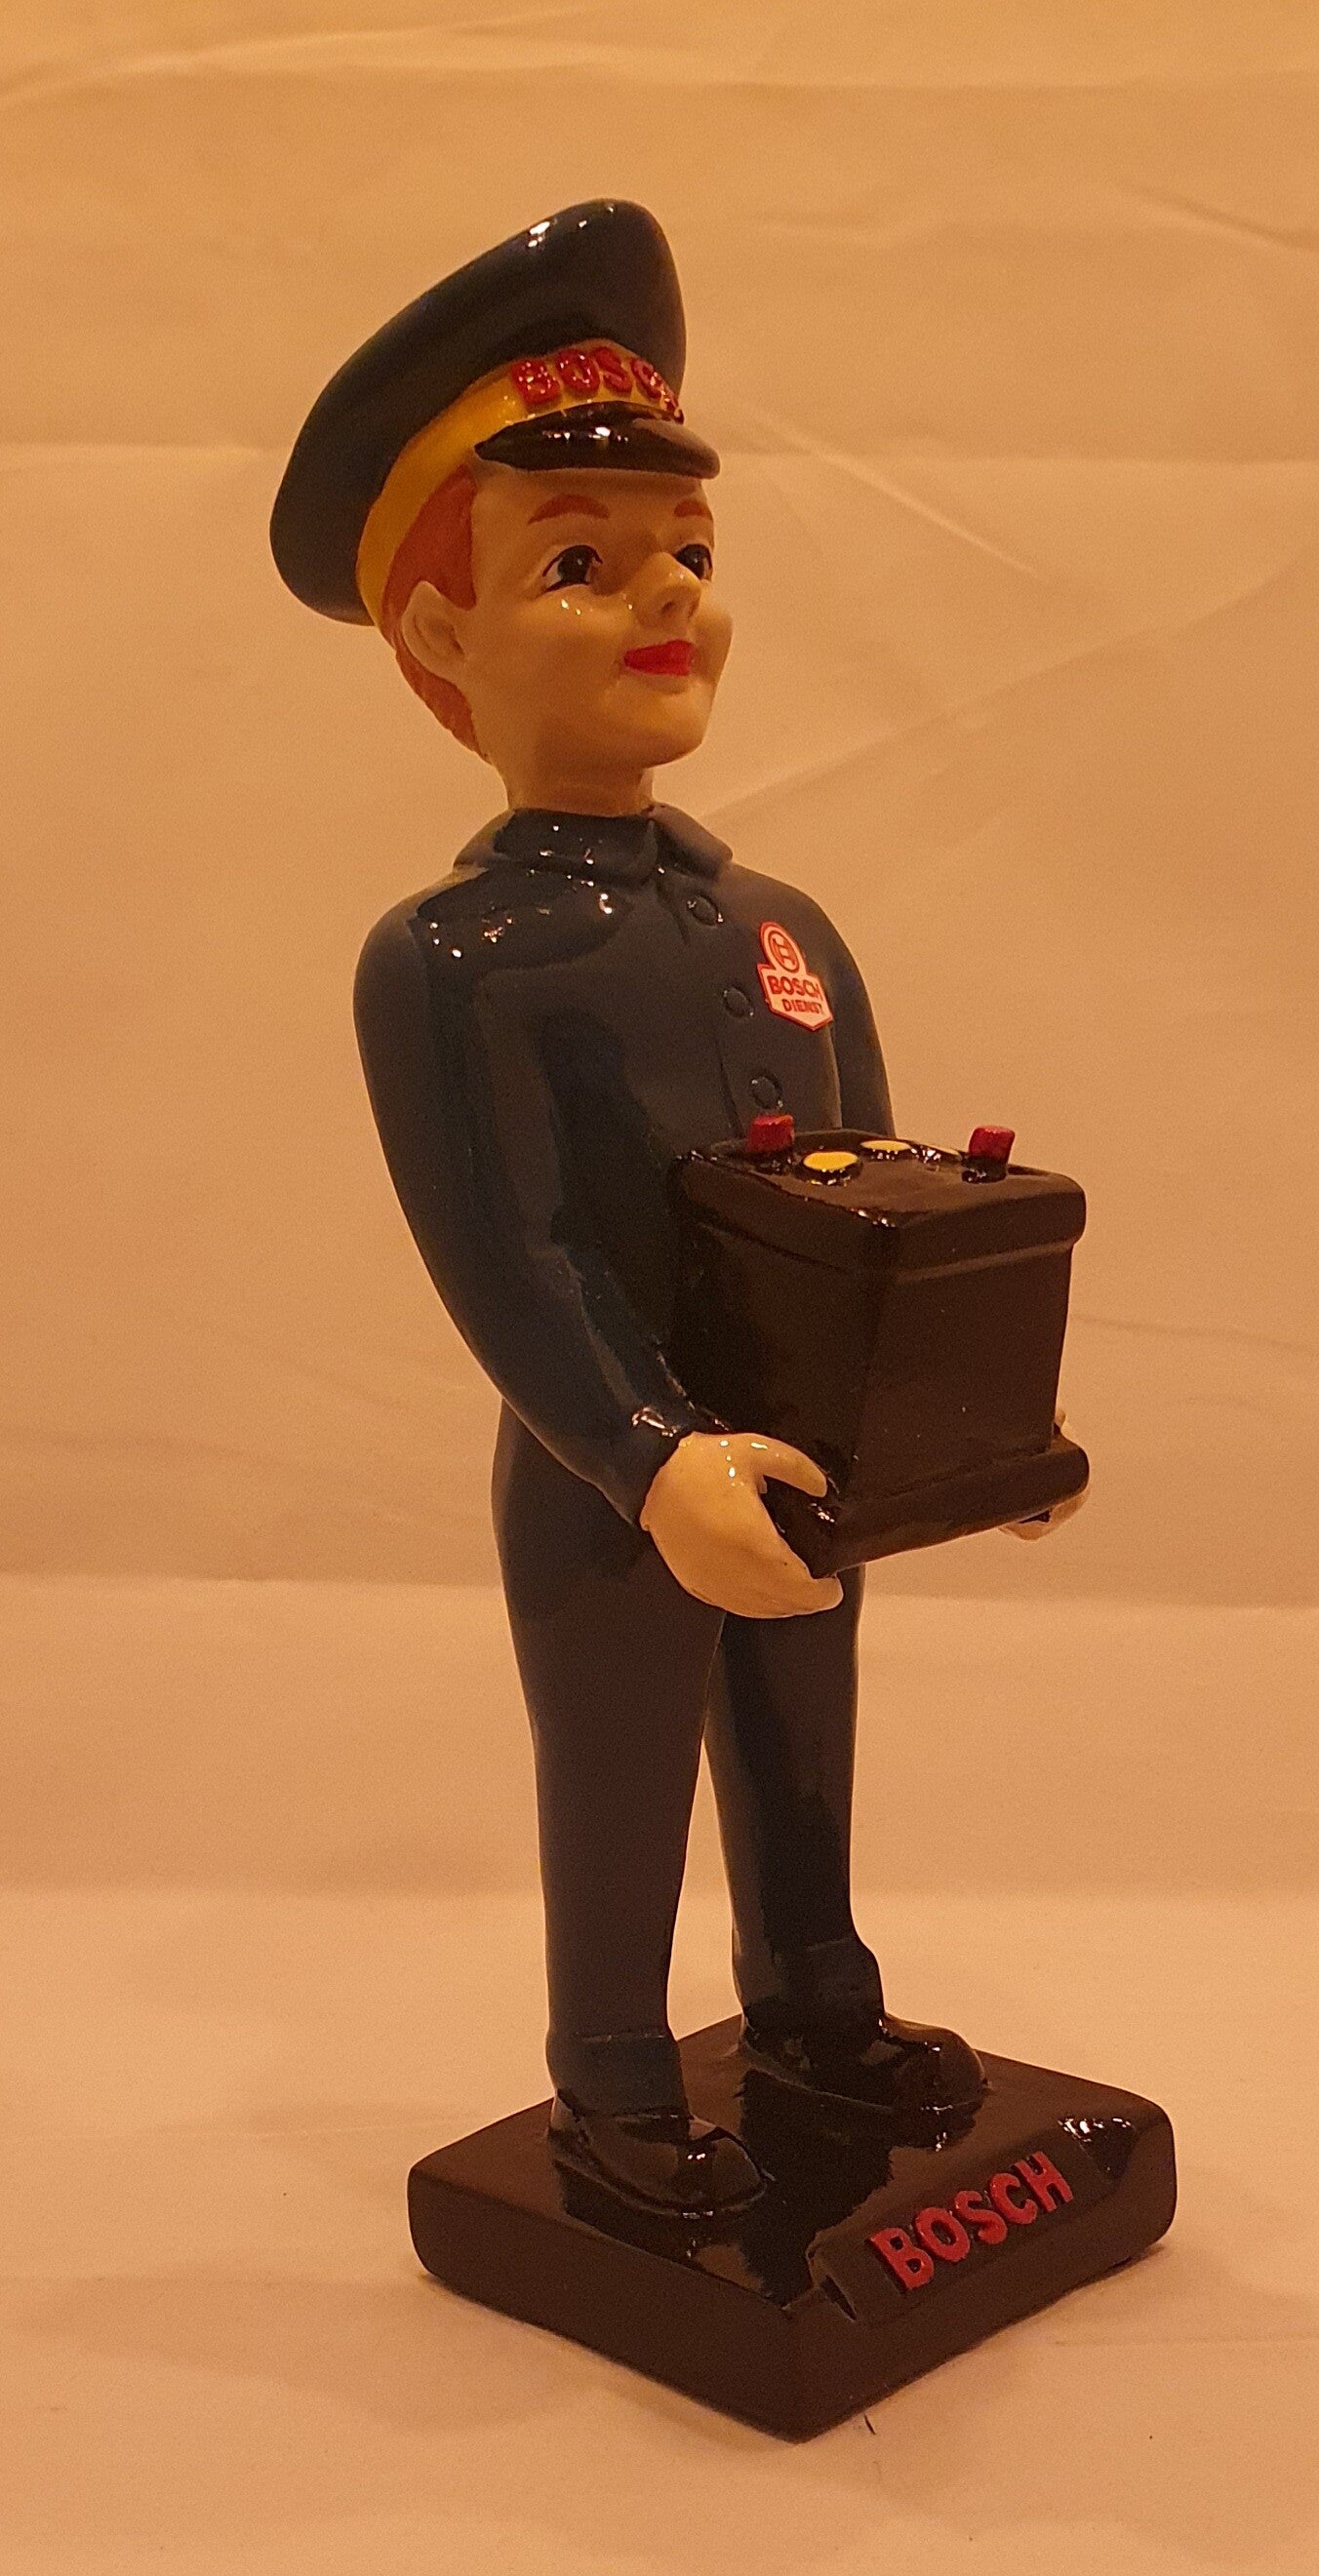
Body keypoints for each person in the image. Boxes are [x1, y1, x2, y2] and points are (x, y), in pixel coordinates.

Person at [271, 199, 1060, 2218]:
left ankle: (813, 2001)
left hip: (811, 1453)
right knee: (618, 1764)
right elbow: (506, 1255)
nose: (665, 602)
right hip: (611, 1474)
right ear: (438, 638)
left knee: (805, 1734)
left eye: (689, 555)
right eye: (578, 563)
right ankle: (613, 2088)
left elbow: (877, 1201)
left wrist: (963, 1417)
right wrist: (644, 1451)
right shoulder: (450, 960)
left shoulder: (778, 924)